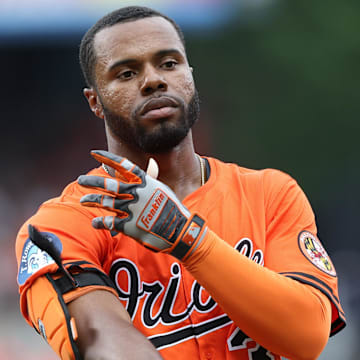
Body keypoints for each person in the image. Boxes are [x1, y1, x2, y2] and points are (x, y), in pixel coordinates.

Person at [15, 5, 346, 360]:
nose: (154, 80)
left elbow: (307, 336)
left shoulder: (270, 194)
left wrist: (187, 239)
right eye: (126, 73)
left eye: (169, 63)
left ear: (190, 74)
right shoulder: (60, 226)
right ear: (94, 101)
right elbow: (101, 343)